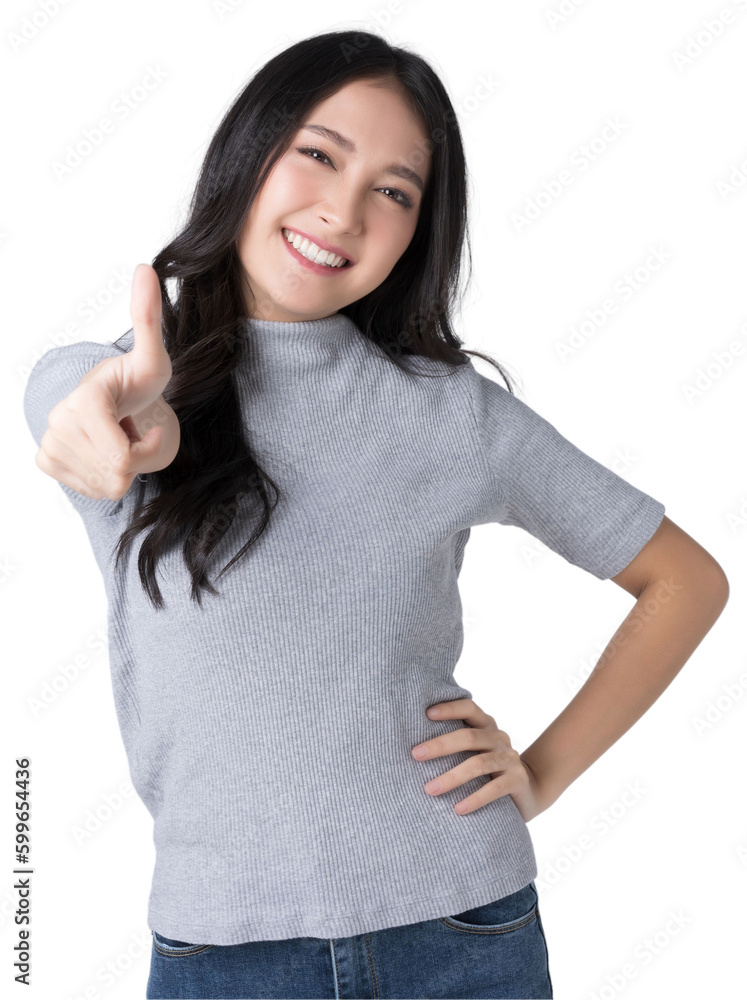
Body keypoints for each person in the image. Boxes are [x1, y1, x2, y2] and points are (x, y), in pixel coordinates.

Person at [22, 30, 729, 1000]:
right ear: (248, 152)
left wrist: (540, 772)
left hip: (461, 933)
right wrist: (119, 418)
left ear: (417, 230)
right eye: (318, 153)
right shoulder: (120, 387)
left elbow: (688, 579)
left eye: (394, 191)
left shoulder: (454, 414)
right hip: (221, 957)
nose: (343, 210)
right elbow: (77, 409)